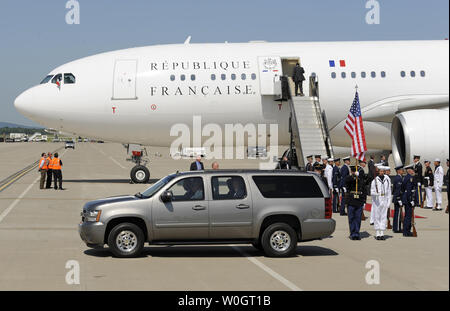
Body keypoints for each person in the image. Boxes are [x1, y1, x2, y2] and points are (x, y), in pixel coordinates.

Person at [345, 166, 367, 240]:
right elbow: (347, 181)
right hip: (351, 200)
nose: (354, 172)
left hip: (359, 201)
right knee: (351, 218)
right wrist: (354, 176)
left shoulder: (360, 179)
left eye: (355, 171)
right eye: (353, 171)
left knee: (358, 218)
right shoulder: (349, 178)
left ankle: (356, 233)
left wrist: (364, 201)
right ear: (351, 171)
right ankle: (352, 233)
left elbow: (364, 190)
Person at [370, 166, 392, 240]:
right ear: (378, 172)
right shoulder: (375, 181)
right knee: (377, 216)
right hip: (377, 200)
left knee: (383, 216)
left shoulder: (387, 180)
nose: (382, 172)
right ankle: (377, 233)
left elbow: (389, 191)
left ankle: (382, 232)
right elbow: (371, 191)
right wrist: (375, 194)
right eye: (380, 171)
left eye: (383, 171)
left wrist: (389, 201)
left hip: (384, 199)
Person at [402, 164, 417, 237]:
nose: (413, 171)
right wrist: (411, 200)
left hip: (406, 198)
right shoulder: (410, 178)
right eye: (412, 170)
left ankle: (406, 231)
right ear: (409, 170)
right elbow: (408, 190)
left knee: (407, 216)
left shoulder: (406, 177)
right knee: (408, 216)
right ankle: (406, 232)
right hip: (408, 199)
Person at [392, 165, 404, 233]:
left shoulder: (398, 177)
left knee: (397, 213)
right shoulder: (398, 178)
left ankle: (396, 227)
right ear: (398, 171)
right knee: (398, 214)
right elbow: (397, 190)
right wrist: (399, 199)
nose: (403, 171)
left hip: (396, 197)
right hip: (398, 198)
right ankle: (397, 228)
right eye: (401, 170)